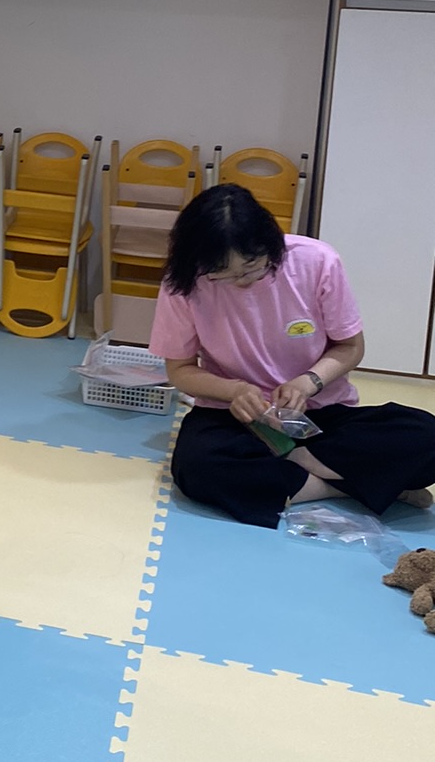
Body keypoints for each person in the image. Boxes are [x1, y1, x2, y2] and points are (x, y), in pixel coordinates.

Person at [150, 184, 435, 529]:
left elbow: (350, 347)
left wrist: (308, 382)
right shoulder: (183, 282)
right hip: (233, 416)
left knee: (425, 435)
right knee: (195, 467)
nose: (241, 280)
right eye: (222, 273)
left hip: (320, 413)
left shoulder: (317, 261)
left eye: (251, 265)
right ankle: (349, 485)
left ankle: (298, 465)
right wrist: (234, 391)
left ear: (270, 243)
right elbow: (180, 370)